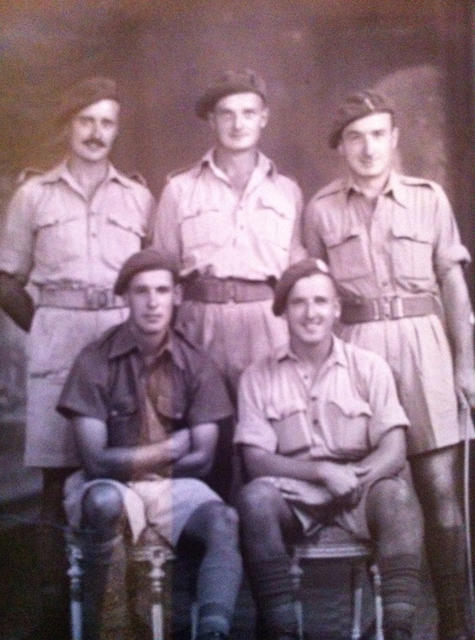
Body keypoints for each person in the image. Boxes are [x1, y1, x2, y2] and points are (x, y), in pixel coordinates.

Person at [303, 90, 475, 640]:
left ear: (395, 139)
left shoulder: (429, 198)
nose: (368, 147)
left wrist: (466, 365)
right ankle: (385, 622)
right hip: (356, 350)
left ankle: (455, 623)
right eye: (356, 137)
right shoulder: (322, 209)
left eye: (378, 134)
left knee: (440, 490)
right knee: (380, 486)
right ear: (341, 148)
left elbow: (453, 283)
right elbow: (312, 295)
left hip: (425, 345)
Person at [0, 76, 155, 638]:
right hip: (58, 343)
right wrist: (43, 325)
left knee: (126, 473)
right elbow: (7, 277)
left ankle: (129, 603)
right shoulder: (33, 195)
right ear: (68, 126)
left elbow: (151, 278)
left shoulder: (138, 196)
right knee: (55, 480)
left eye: (107, 122)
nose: (96, 133)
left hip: (120, 341)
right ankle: (51, 611)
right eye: (86, 121)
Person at [57, 248, 242, 640]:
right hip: (109, 486)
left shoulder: (197, 363)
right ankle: (114, 628)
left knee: (224, 521)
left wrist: (134, 461)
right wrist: (167, 451)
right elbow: (93, 461)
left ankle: (213, 629)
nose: (153, 302)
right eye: (141, 291)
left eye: (162, 290)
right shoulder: (94, 360)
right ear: (126, 298)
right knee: (103, 503)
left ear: (176, 295)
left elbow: (205, 459)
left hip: (171, 486)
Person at [235, 259, 424, 640]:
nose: (311, 313)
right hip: (294, 497)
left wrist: (349, 479)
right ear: (284, 312)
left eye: (321, 301)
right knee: (255, 499)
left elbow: (393, 449)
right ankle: (281, 628)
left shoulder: (369, 367)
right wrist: (320, 474)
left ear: (337, 308)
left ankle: (398, 628)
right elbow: (255, 461)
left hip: (360, 490)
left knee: (399, 497)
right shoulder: (257, 375)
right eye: (299, 303)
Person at [151, 69, 304, 397]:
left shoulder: (287, 191)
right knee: (204, 431)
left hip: (267, 325)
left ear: (264, 118)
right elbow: (162, 274)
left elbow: (296, 272)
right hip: (199, 325)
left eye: (248, 113)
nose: (238, 125)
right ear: (211, 120)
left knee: (270, 426)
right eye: (227, 114)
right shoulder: (179, 190)